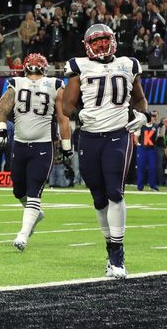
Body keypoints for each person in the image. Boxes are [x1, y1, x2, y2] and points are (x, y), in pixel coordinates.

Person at [62, 23, 149, 279]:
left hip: (118, 135)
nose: (101, 46)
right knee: (99, 198)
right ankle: (109, 248)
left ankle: (117, 254)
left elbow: (139, 98)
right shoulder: (79, 65)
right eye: (96, 41)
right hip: (90, 137)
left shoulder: (129, 64)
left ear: (112, 40)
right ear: (88, 45)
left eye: (104, 40)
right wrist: (79, 114)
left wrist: (143, 115)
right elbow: (67, 106)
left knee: (115, 192)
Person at [0, 53, 71, 251]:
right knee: (18, 191)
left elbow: (2, 108)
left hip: (42, 145)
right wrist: (67, 147)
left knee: (34, 190)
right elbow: (2, 107)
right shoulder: (49, 83)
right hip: (20, 145)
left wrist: (2, 130)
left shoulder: (23, 82)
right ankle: (35, 215)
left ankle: (23, 234)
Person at [135, 113, 161, 191]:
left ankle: (152, 185)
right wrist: (139, 145)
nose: (152, 118)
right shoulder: (141, 126)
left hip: (151, 149)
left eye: (153, 116)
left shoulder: (156, 127)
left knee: (153, 168)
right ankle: (140, 186)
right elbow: (136, 137)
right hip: (142, 149)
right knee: (141, 168)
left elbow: (156, 138)